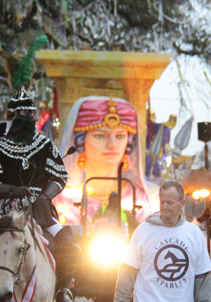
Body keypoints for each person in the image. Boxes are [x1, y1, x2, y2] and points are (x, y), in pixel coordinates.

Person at [0, 37, 75, 302]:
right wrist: (12, 190)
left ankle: (62, 287)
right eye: (19, 115)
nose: (24, 119)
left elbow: (60, 176)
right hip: (2, 209)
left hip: (38, 208)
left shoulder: (45, 145)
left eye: (29, 115)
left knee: (68, 241)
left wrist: (43, 196)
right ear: (10, 117)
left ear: (34, 117)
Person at [55, 96, 159, 225]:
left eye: (120, 136)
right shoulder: (59, 200)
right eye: (100, 136)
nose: (112, 145)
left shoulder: (149, 201)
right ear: (80, 141)